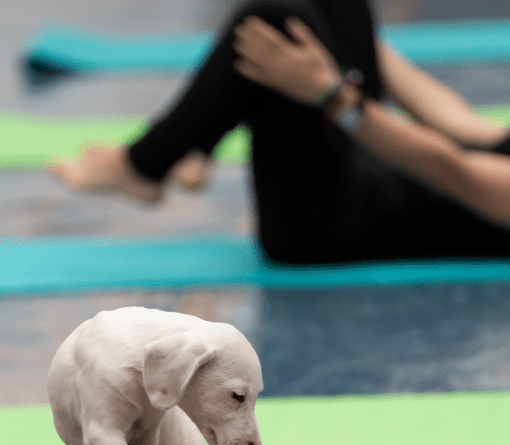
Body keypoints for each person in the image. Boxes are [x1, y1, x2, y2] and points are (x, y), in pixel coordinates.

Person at [50, 0, 510, 264]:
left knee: (269, 21)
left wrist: (330, 92)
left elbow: (452, 169)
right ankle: (197, 142)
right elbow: (458, 122)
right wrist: (340, 41)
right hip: (357, 175)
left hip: (327, 227)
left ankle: (144, 167)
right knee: (322, 8)